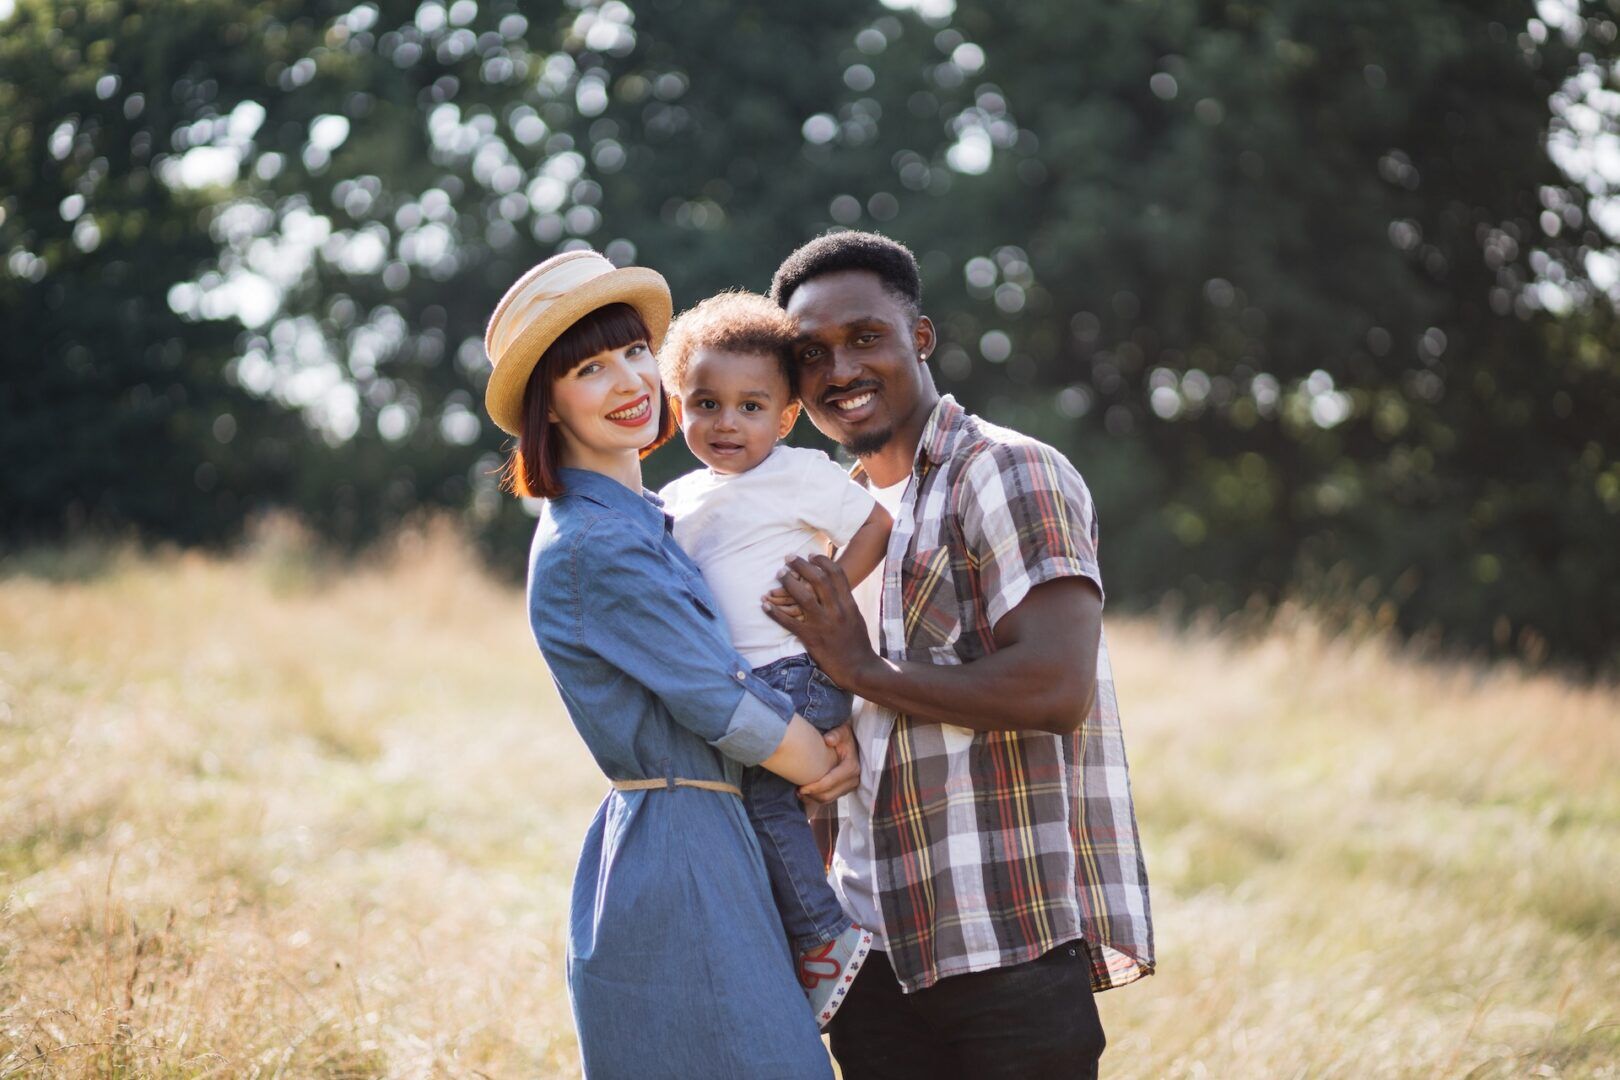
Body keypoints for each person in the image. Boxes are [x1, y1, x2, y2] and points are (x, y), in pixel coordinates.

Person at [762, 232, 1156, 1080]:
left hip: (1002, 946)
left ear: (922, 338)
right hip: (870, 954)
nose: (840, 371)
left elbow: (1054, 686)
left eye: (865, 337)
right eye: (811, 354)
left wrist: (860, 668)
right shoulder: (827, 521)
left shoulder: (1007, 472)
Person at [481, 249, 856, 1079]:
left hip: (717, 830)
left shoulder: (653, 516)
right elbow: (718, 701)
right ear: (549, 401)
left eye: (635, 353)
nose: (629, 382)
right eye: (589, 368)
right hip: (680, 851)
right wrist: (830, 752)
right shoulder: (598, 543)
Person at [655, 291, 889, 1027]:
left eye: (752, 407)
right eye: (706, 404)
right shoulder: (675, 497)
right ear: (677, 406)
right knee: (738, 810)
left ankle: (824, 936)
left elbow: (876, 522)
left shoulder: (797, 474)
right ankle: (771, 943)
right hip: (734, 684)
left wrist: (827, 592)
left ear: (785, 418)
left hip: (793, 673)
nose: (727, 423)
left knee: (764, 801)